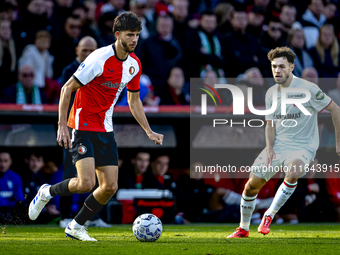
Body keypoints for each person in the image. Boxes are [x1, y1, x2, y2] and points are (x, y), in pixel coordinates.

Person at [28, 12, 163, 241]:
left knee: (110, 187)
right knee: (86, 183)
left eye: (137, 35)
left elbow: (134, 101)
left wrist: (148, 130)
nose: (134, 40)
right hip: (80, 126)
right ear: (118, 34)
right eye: (130, 35)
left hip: (105, 129)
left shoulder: (134, 64)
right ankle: (46, 192)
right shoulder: (98, 58)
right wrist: (62, 125)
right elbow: (66, 89)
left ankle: (76, 226)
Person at [227, 46, 340, 238]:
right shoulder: (271, 92)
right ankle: (243, 228)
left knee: (293, 171)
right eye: (274, 67)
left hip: (303, 147)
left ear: (291, 67)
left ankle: (269, 215)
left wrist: (338, 142)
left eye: (281, 66)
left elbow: (335, 110)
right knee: (251, 186)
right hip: (278, 145)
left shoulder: (309, 89)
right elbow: (270, 124)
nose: (277, 71)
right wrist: (269, 148)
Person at [0, 152, 25, 224]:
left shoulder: (15, 177)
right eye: (0, 161)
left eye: (5, 161)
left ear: (10, 161)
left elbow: (19, 198)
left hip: (10, 209)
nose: (2, 164)